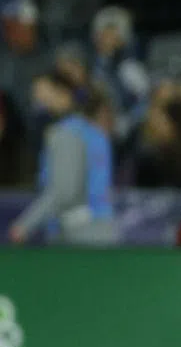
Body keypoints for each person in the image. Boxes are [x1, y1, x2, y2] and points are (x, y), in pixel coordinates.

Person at [9, 72, 118, 245]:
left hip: (78, 235)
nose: (38, 100)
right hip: (101, 229)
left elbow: (64, 191)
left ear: (62, 92)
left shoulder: (66, 133)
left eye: (43, 93)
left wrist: (25, 225)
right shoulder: (94, 130)